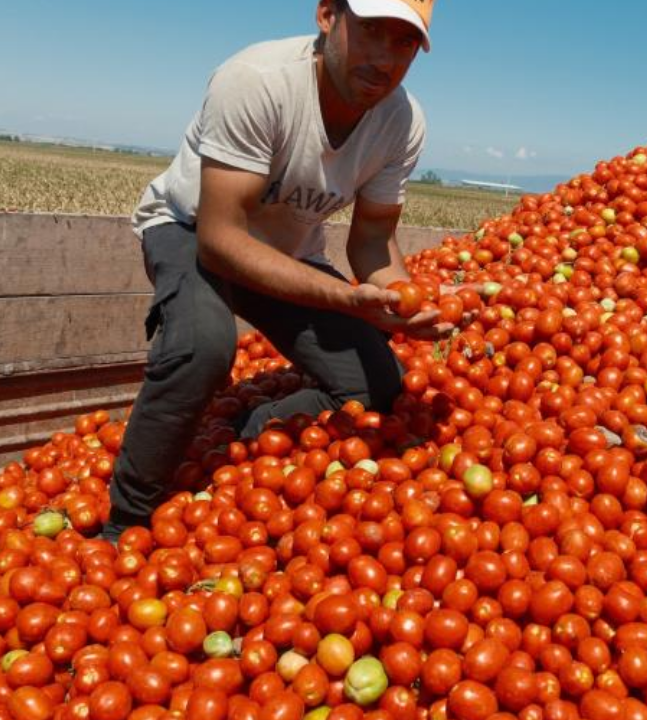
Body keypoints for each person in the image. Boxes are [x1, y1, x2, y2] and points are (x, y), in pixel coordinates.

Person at [102, 0, 446, 543]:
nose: (384, 57)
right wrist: (344, 299)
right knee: (202, 348)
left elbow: (374, 242)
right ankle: (126, 519)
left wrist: (406, 299)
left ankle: (244, 434)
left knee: (379, 384)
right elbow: (220, 241)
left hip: (287, 251)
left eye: (403, 43)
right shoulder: (259, 81)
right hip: (192, 229)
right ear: (328, 15)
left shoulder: (401, 122)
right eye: (371, 31)